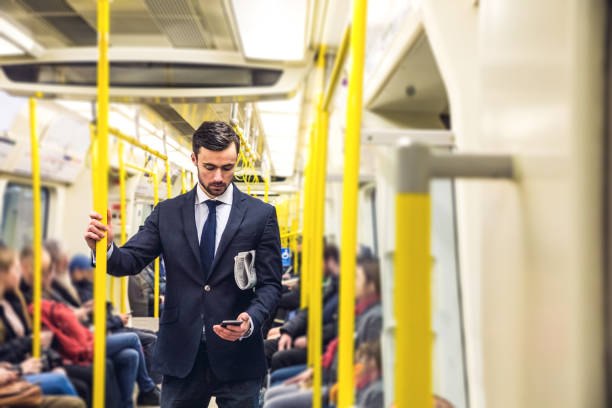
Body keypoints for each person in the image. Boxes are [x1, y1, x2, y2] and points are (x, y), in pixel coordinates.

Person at [85, 120, 283, 407]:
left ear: (235, 162)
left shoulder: (260, 215)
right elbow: (128, 261)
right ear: (194, 160)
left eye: (227, 168)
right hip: (181, 354)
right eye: (209, 167)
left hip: (238, 355)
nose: (218, 177)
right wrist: (104, 248)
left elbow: (270, 285)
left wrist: (251, 319)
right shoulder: (167, 213)